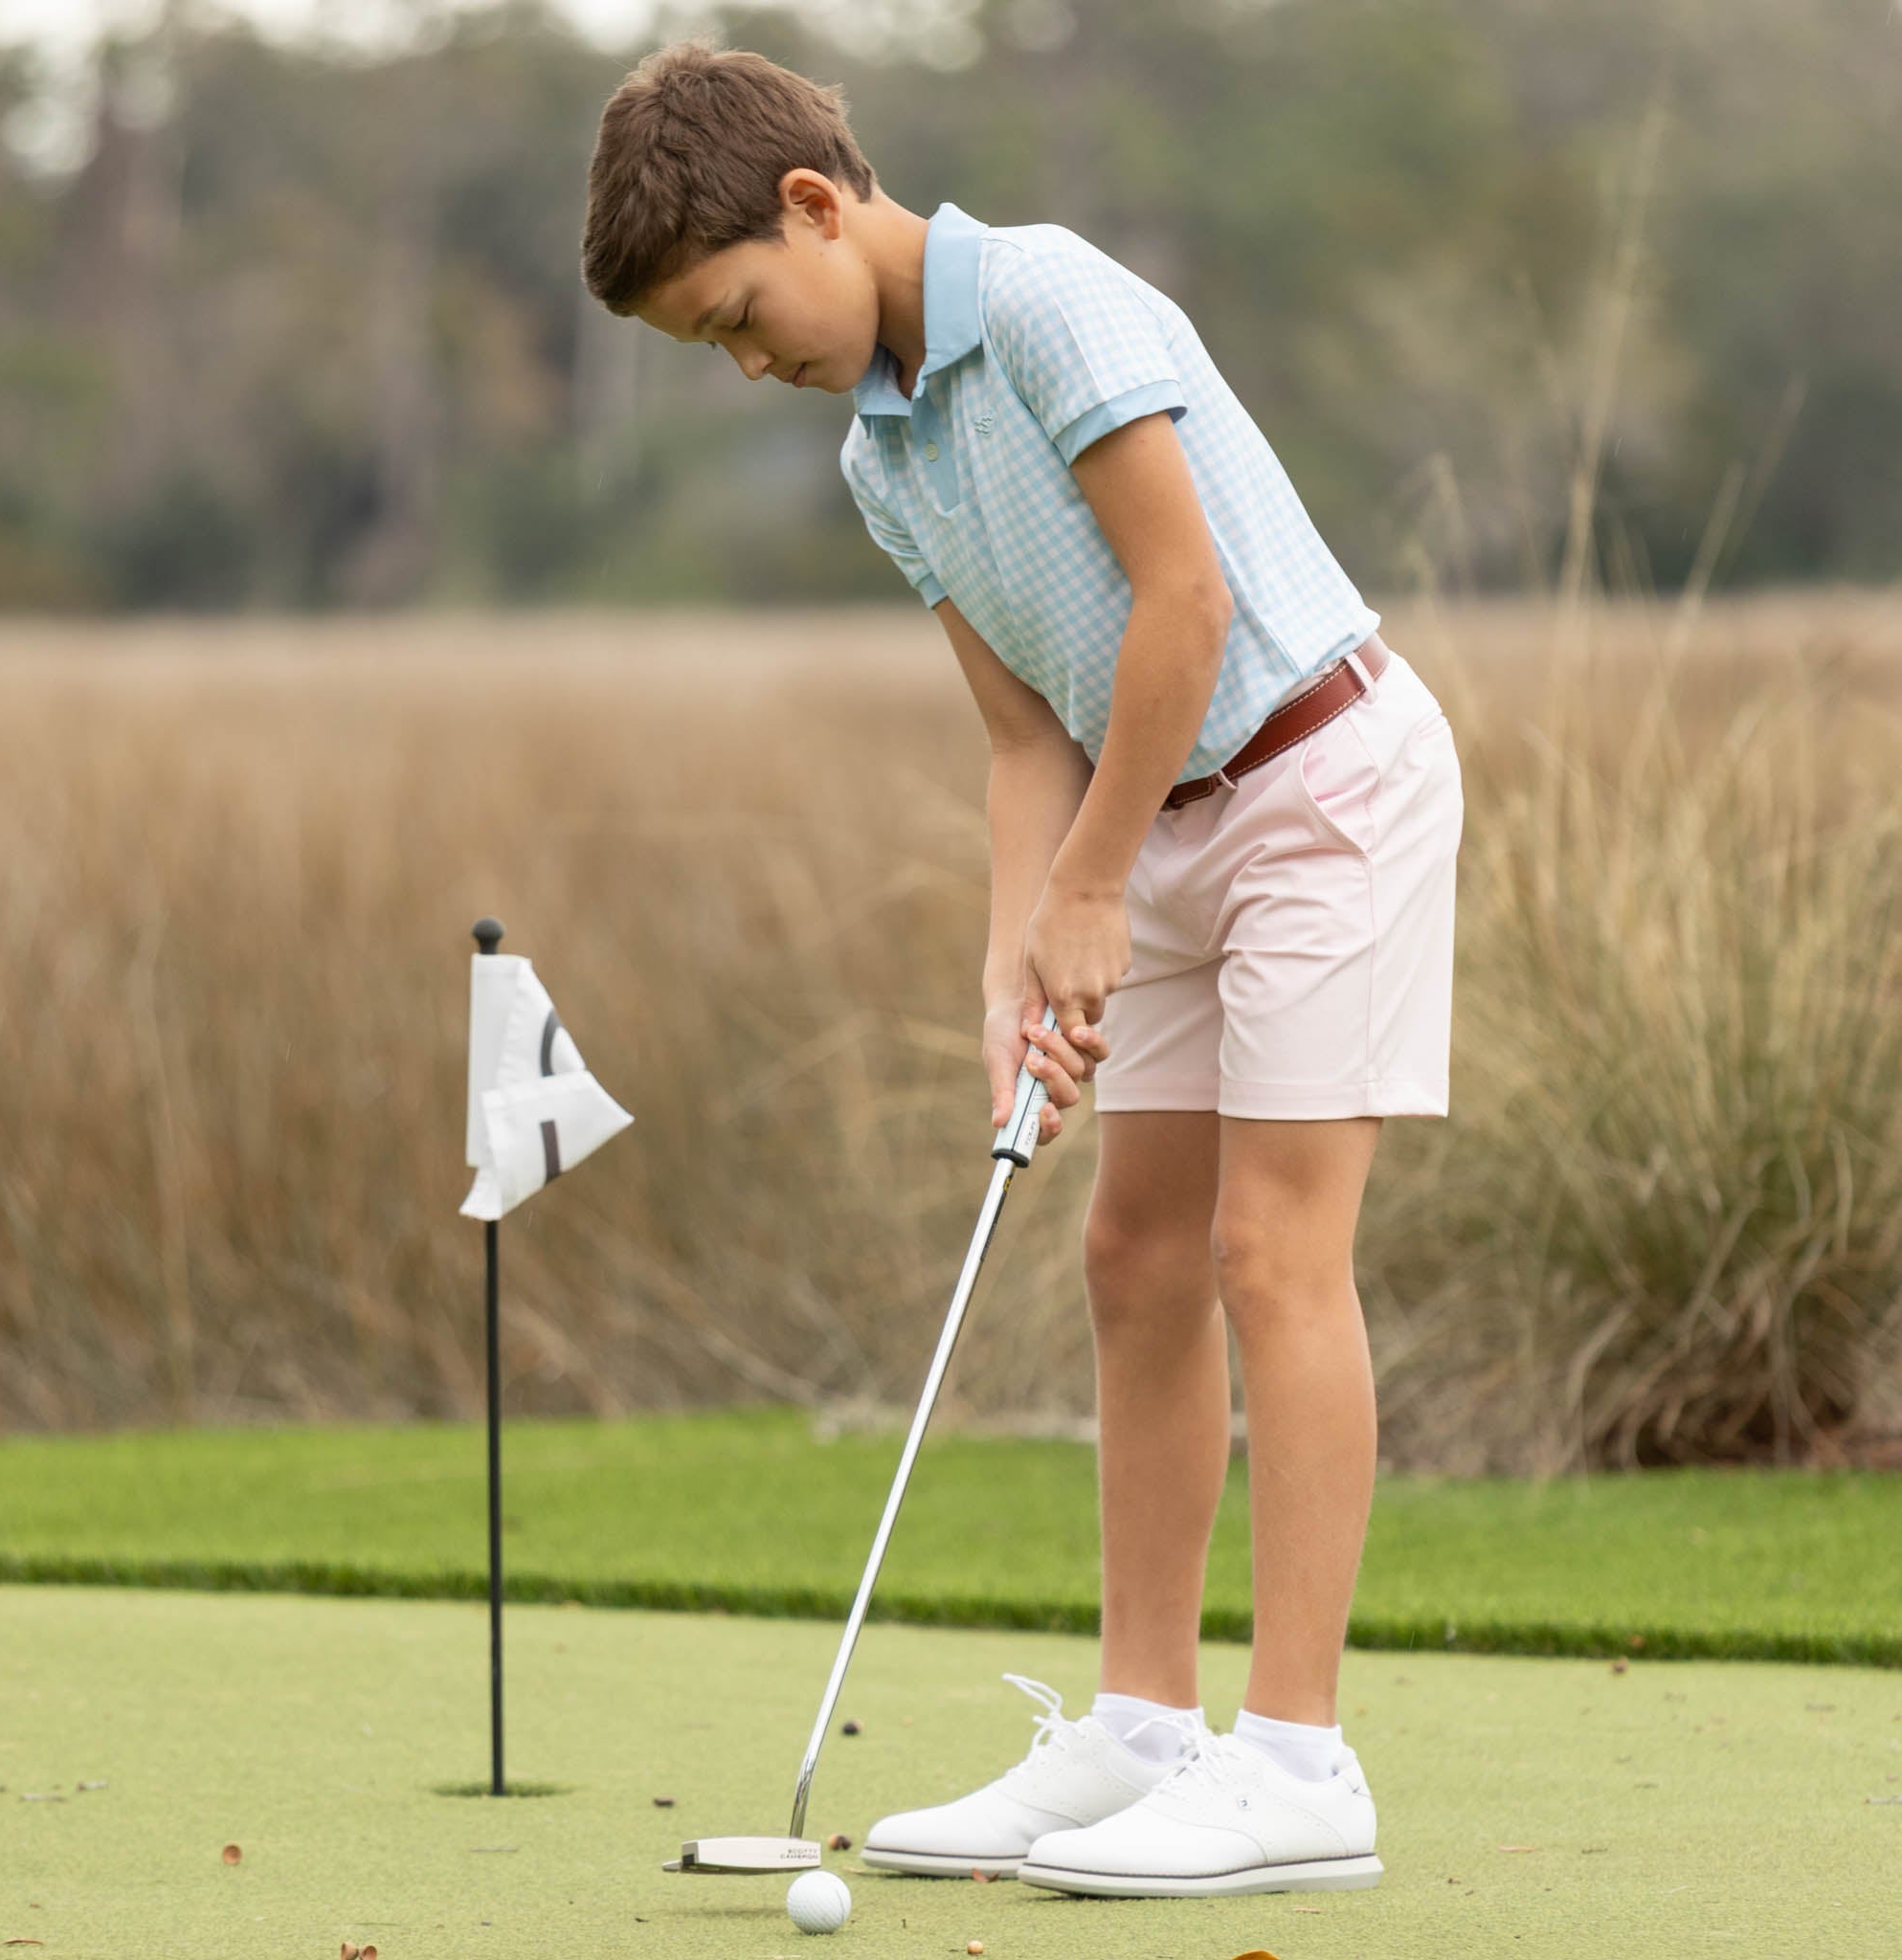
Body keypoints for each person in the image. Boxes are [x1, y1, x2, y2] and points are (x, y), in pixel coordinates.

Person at [583, 33, 1464, 1902]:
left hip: (1322, 780)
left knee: (1266, 1250)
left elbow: (1186, 597)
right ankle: (1141, 1735)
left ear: (815, 205)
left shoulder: (1050, 293)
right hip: (1149, 815)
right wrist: (1015, 965)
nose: (749, 360)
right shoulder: (878, 451)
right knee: (1131, 1254)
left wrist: (1090, 888)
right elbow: (1016, 742)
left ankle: (1296, 1761)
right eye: (710, 349)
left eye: (741, 313)